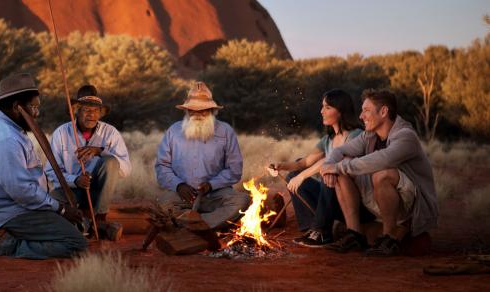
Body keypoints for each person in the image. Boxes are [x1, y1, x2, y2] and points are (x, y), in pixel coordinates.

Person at [0, 73, 87, 259]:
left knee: (73, 224)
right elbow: (21, 191)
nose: (37, 113)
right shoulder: (5, 138)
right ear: (17, 107)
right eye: (33, 107)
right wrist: (61, 209)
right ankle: (6, 245)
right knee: (76, 244)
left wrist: (57, 208)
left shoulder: (10, 127)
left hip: (21, 207)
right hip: (8, 214)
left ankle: (18, 238)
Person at [320, 88, 439, 257]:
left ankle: (389, 238)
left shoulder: (406, 136)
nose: (361, 116)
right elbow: (340, 151)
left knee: (381, 173)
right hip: (380, 198)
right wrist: (330, 166)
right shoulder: (369, 135)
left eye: (366, 110)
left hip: (411, 206)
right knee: (343, 168)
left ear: (383, 111)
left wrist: (338, 167)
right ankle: (355, 235)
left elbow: (382, 159)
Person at [270, 89, 363, 247]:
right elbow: (304, 163)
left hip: (351, 200)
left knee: (328, 173)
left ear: (340, 111)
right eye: (322, 107)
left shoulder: (356, 135)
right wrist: (281, 166)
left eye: (327, 107)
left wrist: (303, 176)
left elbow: (333, 161)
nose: (322, 111)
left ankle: (322, 231)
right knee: (293, 175)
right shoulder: (328, 139)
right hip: (330, 199)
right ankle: (311, 227)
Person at [155, 82, 249, 230]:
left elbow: (235, 169)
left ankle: (194, 225)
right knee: (162, 204)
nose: (197, 114)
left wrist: (212, 185)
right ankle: (203, 225)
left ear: (212, 110)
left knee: (241, 200)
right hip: (183, 195)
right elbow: (162, 166)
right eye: (192, 110)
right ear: (186, 111)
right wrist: (179, 185)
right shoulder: (173, 131)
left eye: (203, 110)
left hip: (216, 194)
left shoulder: (225, 131)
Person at [46, 85, 131, 241]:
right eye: (86, 110)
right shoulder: (61, 133)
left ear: (100, 113)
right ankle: (92, 226)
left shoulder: (110, 132)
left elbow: (125, 170)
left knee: (111, 161)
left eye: (96, 110)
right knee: (51, 201)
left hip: (98, 193)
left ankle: (99, 220)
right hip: (71, 192)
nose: (91, 115)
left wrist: (101, 151)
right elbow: (51, 172)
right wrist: (75, 180)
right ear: (77, 111)